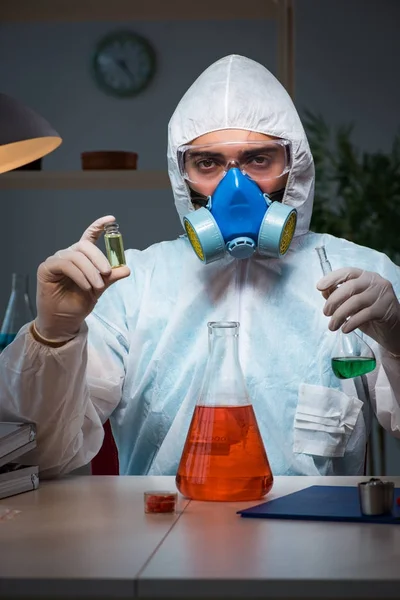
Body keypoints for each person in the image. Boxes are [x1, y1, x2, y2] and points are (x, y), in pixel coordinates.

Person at [1, 55, 400, 479]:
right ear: (182, 175)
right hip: (161, 530)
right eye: (207, 163)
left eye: (258, 160)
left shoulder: (361, 276)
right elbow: (43, 455)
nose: (236, 188)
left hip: (313, 534)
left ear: (294, 167)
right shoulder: (135, 285)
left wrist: (398, 340)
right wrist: (53, 337)